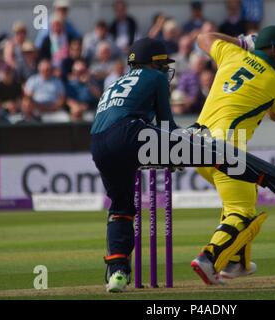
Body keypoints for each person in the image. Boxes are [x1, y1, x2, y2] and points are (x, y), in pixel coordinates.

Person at [189, 26, 275, 285]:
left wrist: (241, 42)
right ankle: (208, 258)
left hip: (196, 148)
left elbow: (202, 37)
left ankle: (236, 264)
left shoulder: (230, 53)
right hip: (229, 150)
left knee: (237, 203)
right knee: (243, 213)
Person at [90, 38, 178, 293]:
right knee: (200, 151)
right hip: (128, 134)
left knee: (121, 206)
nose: (164, 70)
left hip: (97, 141)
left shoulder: (115, 82)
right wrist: (174, 153)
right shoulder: (156, 79)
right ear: (151, 63)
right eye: (162, 64)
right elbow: (166, 125)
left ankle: (117, 273)